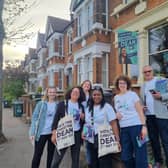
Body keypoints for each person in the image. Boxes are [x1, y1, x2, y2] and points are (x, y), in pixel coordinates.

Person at [114, 75, 148, 168]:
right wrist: (116, 114)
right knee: (125, 156)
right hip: (124, 129)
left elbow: (140, 111)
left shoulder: (133, 95)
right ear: (117, 85)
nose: (122, 85)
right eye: (120, 83)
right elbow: (118, 111)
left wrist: (144, 126)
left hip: (137, 126)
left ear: (127, 84)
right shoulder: (116, 97)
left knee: (141, 153)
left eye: (124, 83)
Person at [84, 86, 120, 168]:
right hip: (90, 140)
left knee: (105, 163)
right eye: (94, 95)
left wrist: (117, 140)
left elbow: (113, 123)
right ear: (91, 96)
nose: (96, 97)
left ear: (102, 96)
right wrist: (85, 132)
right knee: (93, 163)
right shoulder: (88, 108)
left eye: (99, 95)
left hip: (103, 139)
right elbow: (87, 123)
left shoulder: (107, 107)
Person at [141, 65, 168, 168]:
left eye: (149, 71)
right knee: (154, 140)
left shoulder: (161, 81)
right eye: (145, 72)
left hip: (161, 115)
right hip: (149, 116)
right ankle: (158, 161)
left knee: (165, 140)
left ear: (153, 71)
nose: (147, 73)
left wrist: (161, 96)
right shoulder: (143, 85)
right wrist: (142, 106)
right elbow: (142, 100)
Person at [51, 86, 85, 168]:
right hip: (64, 132)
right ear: (70, 93)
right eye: (74, 91)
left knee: (75, 159)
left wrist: (83, 118)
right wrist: (54, 134)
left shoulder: (81, 106)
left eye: (78, 92)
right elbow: (55, 120)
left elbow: (83, 122)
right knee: (57, 159)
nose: (75, 93)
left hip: (76, 133)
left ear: (80, 95)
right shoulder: (62, 104)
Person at [29, 86, 58, 168]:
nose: (52, 93)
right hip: (41, 133)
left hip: (52, 133)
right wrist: (32, 132)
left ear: (56, 94)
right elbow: (34, 118)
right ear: (47, 93)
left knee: (51, 155)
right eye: (50, 92)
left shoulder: (58, 105)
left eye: (53, 92)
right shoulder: (41, 104)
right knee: (37, 154)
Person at [81, 80, 92, 168]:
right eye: (85, 84)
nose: (87, 86)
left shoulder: (91, 95)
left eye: (89, 85)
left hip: (88, 122)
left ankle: (89, 162)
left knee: (88, 141)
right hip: (80, 122)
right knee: (79, 141)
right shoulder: (79, 95)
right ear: (82, 85)